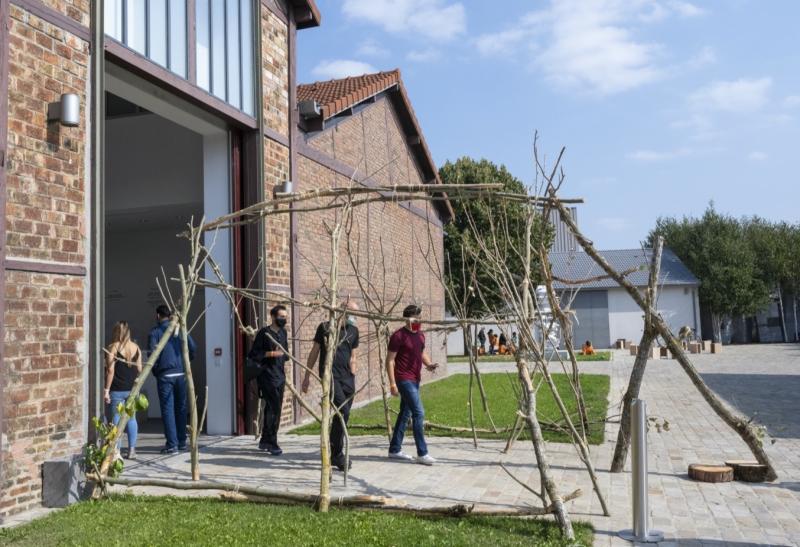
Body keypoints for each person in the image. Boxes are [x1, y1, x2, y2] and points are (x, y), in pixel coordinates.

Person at [301, 302, 360, 471]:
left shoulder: (353, 330)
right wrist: (306, 377)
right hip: (330, 376)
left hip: (347, 378)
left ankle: (335, 449)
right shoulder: (326, 328)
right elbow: (314, 352)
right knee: (343, 412)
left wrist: (353, 372)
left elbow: (353, 355)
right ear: (343, 310)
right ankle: (337, 455)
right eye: (353, 313)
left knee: (343, 415)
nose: (356, 316)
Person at [386, 304, 439, 465]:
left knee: (405, 413)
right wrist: (392, 384)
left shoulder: (420, 335)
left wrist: (428, 364)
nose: (419, 321)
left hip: (415, 379)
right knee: (419, 413)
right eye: (417, 318)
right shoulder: (398, 336)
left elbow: (421, 352)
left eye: (420, 318)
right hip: (404, 379)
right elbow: (390, 360)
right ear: (408, 319)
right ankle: (422, 453)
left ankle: (394, 449)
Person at [149, 304, 196, 455]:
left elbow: (152, 355)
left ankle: (172, 444)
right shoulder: (179, 329)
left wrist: (156, 371)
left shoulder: (155, 332)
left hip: (165, 375)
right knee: (181, 409)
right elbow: (192, 347)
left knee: (168, 410)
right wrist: (185, 363)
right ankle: (182, 442)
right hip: (181, 374)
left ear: (158, 316)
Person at [249, 304, 289, 456]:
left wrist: (282, 354)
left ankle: (265, 440)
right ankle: (272, 442)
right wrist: (271, 354)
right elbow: (254, 354)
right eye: (281, 317)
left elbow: (285, 354)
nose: (283, 319)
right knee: (274, 408)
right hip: (267, 376)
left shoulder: (283, 333)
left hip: (280, 376)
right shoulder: (264, 333)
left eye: (285, 317)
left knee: (273, 408)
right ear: (272, 317)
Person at [104, 321, 143, 459]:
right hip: (131, 390)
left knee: (116, 418)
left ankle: (117, 451)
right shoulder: (136, 348)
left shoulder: (112, 348)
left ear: (116, 332)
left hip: (116, 389)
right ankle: (132, 450)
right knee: (132, 419)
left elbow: (110, 371)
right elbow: (139, 370)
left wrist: (106, 390)